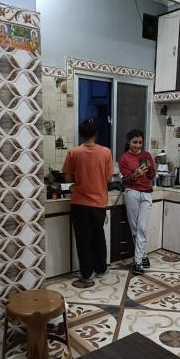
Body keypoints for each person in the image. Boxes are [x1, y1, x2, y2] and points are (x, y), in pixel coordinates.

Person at [63, 118, 113, 286]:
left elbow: (68, 177)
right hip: (98, 203)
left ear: (81, 133)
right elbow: (107, 178)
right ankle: (101, 268)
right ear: (96, 133)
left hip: (79, 203)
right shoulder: (106, 152)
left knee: (83, 239)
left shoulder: (73, 152)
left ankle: (86, 273)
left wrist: (78, 181)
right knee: (99, 236)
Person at [118, 130, 156, 275]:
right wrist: (135, 174)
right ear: (129, 142)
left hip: (146, 193)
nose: (138, 145)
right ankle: (143, 255)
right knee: (135, 228)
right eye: (135, 142)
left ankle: (138, 261)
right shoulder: (124, 158)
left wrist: (151, 168)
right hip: (132, 193)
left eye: (140, 142)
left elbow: (152, 175)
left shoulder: (146, 155)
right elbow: (125, 179)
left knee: (142, 227)